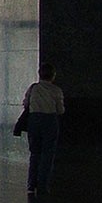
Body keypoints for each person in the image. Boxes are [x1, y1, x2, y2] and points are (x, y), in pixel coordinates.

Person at [22, 62, 64, 195]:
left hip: (34, 121)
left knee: (35, 153)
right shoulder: (56, 90)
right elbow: (60, 110)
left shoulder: (33, 88)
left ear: (39, 74)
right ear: (53, 76)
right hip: (50, 122)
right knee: (47, 154)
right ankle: (43, 185)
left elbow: (25, 103)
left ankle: (31, 185)